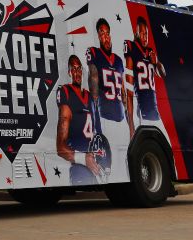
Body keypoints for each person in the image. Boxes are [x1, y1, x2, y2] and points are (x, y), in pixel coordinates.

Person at [56, 55, 104, 184]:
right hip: (80, 166)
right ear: (69, 72)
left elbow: (94, 78)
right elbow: (60, 147)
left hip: (96, 163)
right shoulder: (65, 92)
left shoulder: (89, 96)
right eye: (73, 69)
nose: (77, 73)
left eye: (79, 69)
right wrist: (84, 158)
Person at [86, 18, 135, 140]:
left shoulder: (118, 60)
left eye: (107, 33)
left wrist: (130, 125)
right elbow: (94, 89)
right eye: (102, 34)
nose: (106, 37)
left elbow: (123, 94)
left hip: (121, 120)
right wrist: (96, 122)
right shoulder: (94, 53)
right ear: (98, 36)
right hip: (104, 119)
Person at [124, 15, 166, 122]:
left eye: (146, 33)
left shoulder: (150, 52)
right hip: (141, 105)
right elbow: (128, 77)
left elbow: (163, 74)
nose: (144, 36)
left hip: (153, 107)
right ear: (137, 33)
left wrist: (156, 62)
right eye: (142, 33)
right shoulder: (131, 46)